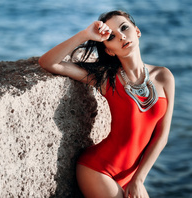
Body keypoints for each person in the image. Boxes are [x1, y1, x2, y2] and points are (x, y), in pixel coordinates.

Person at [38, 10, 174, 198]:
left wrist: (139, 179)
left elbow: (162, 136)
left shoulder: (164, 76)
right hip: (98, 170)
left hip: (133, 176)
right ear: (109, 50)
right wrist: (86, 34)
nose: (122, 37)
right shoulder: (106, 79)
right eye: (112, 37)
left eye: (124, 28)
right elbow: (48, 63)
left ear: (137, 31)